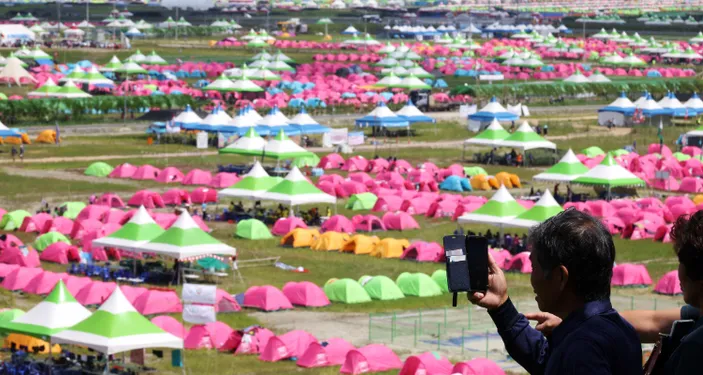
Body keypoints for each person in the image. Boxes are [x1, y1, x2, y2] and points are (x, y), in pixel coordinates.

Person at [468, 209, 642, 375]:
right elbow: (546, 362)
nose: (532, 278)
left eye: (534, 267)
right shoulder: (618, 330)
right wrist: (501, 307)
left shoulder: (583, 349)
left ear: (560, 277)